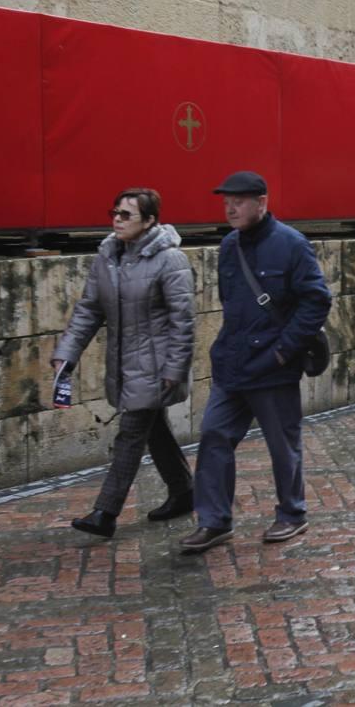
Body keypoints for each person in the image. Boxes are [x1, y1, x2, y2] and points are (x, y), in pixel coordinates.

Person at [180, 171, 332, 554]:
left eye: (240, 200)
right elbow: (232, 305)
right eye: (226, 200)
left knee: (282, 445)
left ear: (262, 202)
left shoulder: (291, 245)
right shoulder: (229, 246)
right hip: (233, 365)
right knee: (214, 436)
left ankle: (292, 514)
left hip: (273, 365)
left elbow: (316, 300)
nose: (230, 207)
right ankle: (214, 521)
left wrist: (283, 351)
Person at [52, 188, 195, 539]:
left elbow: (183, 321)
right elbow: (89, 309)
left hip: (156, 367)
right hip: (124, 363)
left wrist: (175, 369)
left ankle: (105, 513)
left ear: (149, 221)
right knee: (155, 431)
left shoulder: (170, 260)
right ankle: (185, 492)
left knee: (131, 434)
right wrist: (67, 354)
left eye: (126, 214)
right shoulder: (108, 256)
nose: (117, 219)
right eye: (114, 212)